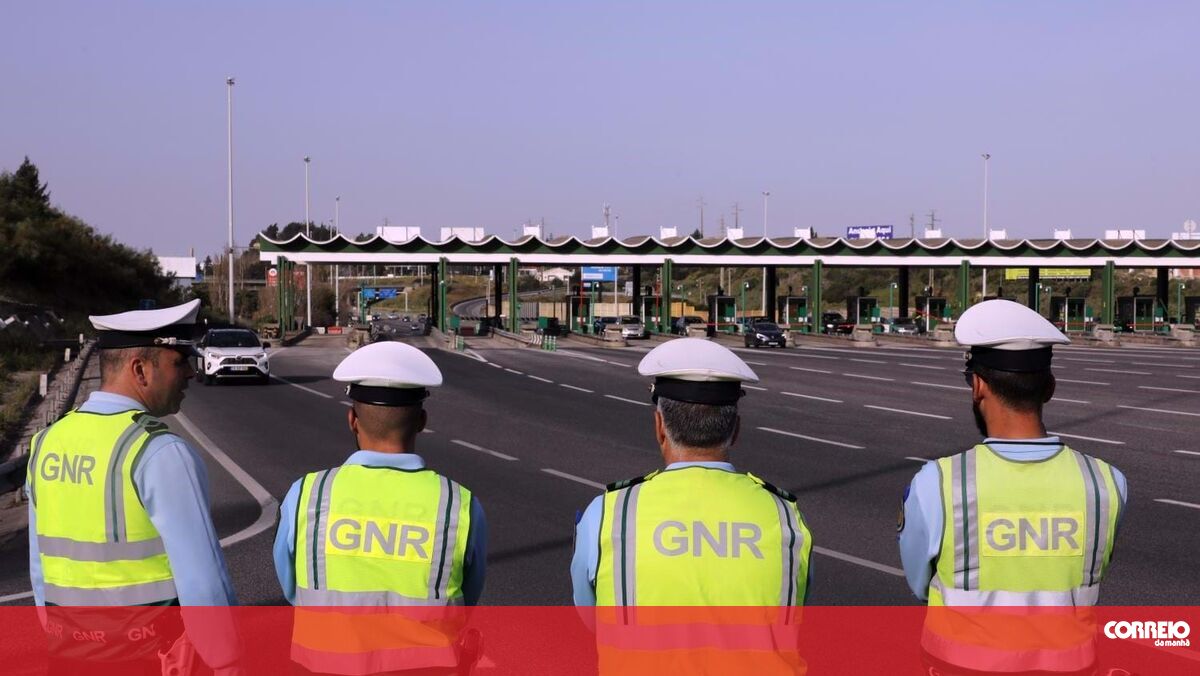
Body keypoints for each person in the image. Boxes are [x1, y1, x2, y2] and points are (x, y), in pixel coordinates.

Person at [898, 299, 1128, 675]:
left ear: (977, 386)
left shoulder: (937, 483)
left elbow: (920, 585)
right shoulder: (1106, 483)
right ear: (1049, 387)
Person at [571, 338, 812, 673]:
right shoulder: (786, 517)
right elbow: (793, 611)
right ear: (735, 430)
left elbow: (592, 615)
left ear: (660, 426)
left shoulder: (609, 514)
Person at [25, 298, 241, 674]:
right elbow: (202, 580)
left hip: (66, 656)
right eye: (180, 362)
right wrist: (227, 661)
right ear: (140, 369)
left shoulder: (46, 441)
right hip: (149, 659)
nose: (191, 373)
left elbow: (39, 567)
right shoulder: (159, 451)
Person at [273, 341, 487, 675]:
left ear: (352, 420)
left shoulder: (307, 494)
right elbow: (465, 600)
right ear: (422, 421)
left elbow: (292, 588)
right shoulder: (459, 505)